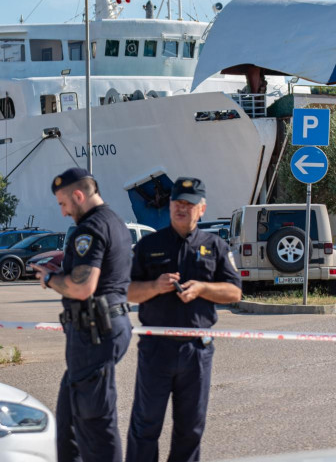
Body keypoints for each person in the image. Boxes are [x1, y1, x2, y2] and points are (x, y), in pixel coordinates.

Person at [126, 177, 242, 462]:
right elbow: (127, 290)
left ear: (201, 209)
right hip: (156, 349)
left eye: (189, 204)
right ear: (169, 205)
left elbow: (234, 292)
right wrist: (154, 286)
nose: (182, 208)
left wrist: (203, 289)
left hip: (195, 350)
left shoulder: (215, 246)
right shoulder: (149, 244)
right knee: (145, 426)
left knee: (190, 428)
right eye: (177, 202)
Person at [32, 167, 133, 462]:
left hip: (95, 333)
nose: (63, 213)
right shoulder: (114, 221)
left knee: (95, 425)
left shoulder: (90, 229)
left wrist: (49, 280)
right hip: (97, 331)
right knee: (69, 423)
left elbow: (82, 287)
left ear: (78, 195)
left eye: (63, 204)